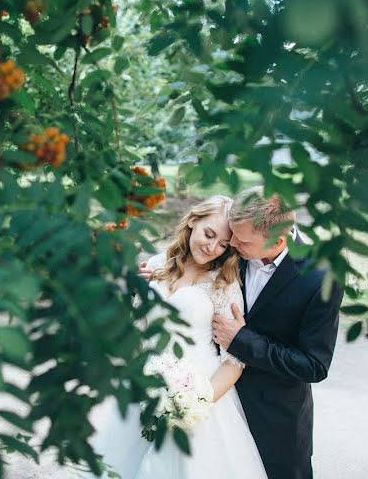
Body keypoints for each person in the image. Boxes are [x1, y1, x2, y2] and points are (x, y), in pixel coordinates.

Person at [90, 195, 268, 479]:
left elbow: (234, 360)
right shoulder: (158, 263)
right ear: (193, 221)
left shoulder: (225, 282)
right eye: (208, 234)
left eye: (223, 244)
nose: (212, 248)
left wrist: (195, 404)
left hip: (197, 393)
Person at [211, 186, 344, 479]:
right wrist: (156, 272)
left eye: (241, 240)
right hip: (218, 408)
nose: (230, 243)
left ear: (277, 241)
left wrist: (242, 340)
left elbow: (314, 365)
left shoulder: (322, 278)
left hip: (275, 419)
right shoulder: (233, 247)